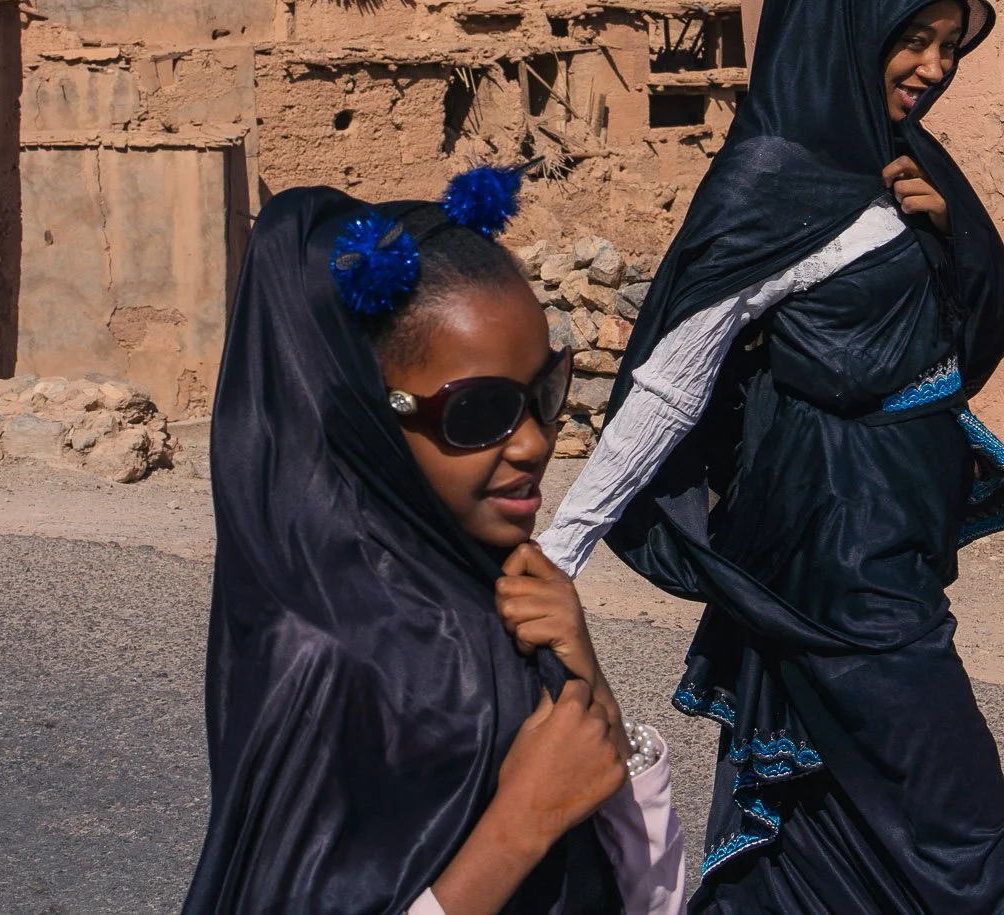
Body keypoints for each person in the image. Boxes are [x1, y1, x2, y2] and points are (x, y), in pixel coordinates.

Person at [540, 0, 1004, 915]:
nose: (931, 65)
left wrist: (949, 234)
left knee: (822, 832)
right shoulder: (769, 178)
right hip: (839, 557)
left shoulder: (905, 162)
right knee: (972, 846)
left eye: (950, 45)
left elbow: (956, 335)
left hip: (894, 542)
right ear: (844, 22)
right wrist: (554, 549)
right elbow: (670, 377)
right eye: (912, 36)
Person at [183, 168, 686, 915]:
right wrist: (518, 828)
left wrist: (587, 679)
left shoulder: (502, 599)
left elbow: (645, 897)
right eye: (479, 410)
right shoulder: (325, 659)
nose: (532, 442)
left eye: (546, 394)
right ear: (371, 418)